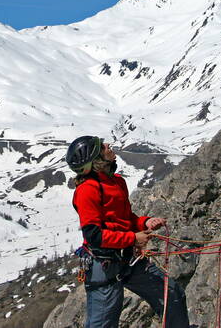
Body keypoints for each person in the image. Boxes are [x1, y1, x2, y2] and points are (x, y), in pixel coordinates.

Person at [66, 135, 189, 328]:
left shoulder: (116, 182)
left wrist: (145, 223)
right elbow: (94, 236)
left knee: (172, 293)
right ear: (97, 161)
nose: (108, 145)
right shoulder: (87, 190)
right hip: (104, 265)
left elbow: (125, 219)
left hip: (127, 259)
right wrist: (133, 238)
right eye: (103, 147)